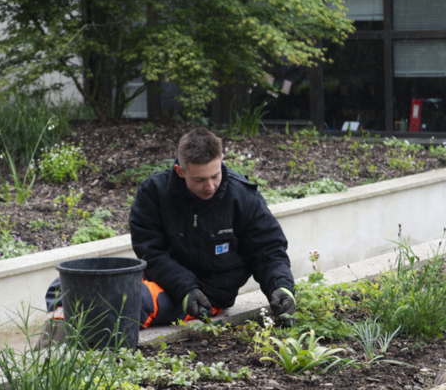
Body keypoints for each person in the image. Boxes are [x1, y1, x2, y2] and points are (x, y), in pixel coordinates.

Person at [42, 127, 295, 341]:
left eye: (215, 176)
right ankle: (59, 327)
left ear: (222, 160)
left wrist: (281, 287)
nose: (210, 186)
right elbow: (150, 251)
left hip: (206, 295)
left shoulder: (243, 197)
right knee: (74, 278)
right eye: (199, 180)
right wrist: (183, 286)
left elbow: (268, 250)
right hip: (164, 277)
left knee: (128, 300)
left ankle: (73, 330)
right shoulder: (153, 192)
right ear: (180, 171)